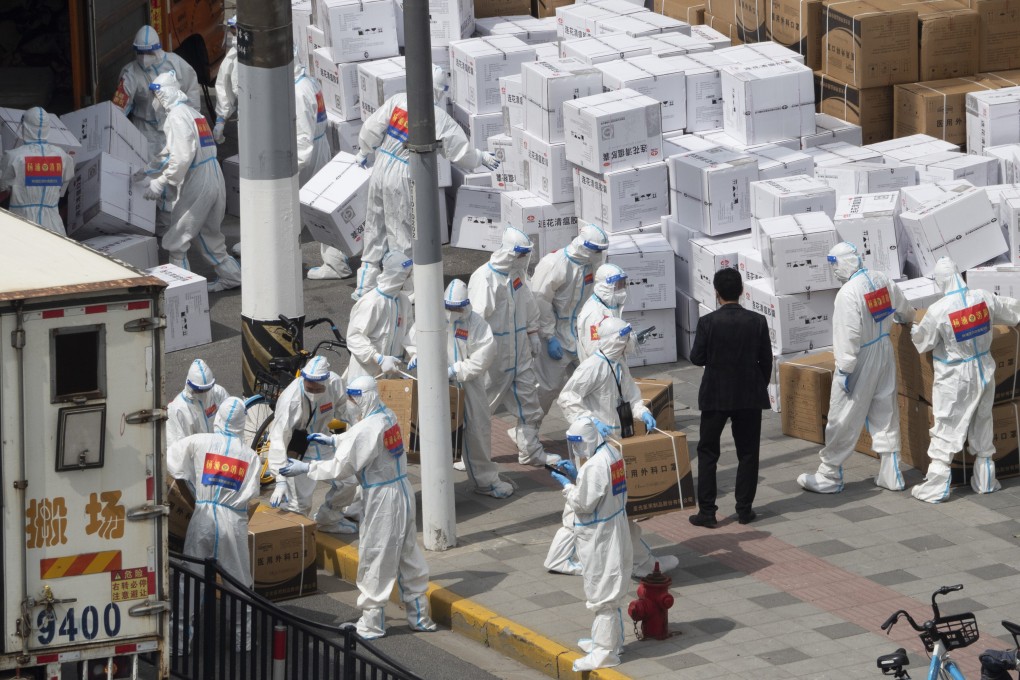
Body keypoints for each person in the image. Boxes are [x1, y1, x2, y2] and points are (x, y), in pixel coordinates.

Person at [280, 376, 437, 639]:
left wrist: (307, 467)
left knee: (375, 556)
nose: (350, 404)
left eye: (353, 398)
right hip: (402, 491)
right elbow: (364, 440)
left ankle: (372, 623)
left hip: (382, 498)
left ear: (364, 398)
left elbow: (343, 467)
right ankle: (420, 616)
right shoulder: (387, 415)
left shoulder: (369, 427)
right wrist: (335, 441)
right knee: (407, 553)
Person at [352, 65, 500, 300]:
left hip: (380, 166)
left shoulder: (397, 101)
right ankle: (405, 289)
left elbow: (372, 127)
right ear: (438, 91)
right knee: (402, 232)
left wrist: (363, 150)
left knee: (375, 225)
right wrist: (481, 157)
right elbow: (460, 151)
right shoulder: (438, 118)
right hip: (404, 172)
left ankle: (364, 286)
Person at [558, 316, 678, 577]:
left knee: (604, 505)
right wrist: (590, 421)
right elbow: (567, 397)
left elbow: (631, 396)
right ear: (612, 340)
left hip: (616, 443)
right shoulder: (592, 367)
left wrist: (641, 412)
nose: (628, 343)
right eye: (623, 339)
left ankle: (562, 556)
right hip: (596, 444)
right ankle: (641, 563)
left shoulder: (619, 364)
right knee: (608, 505)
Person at [798, 242, 914, 494]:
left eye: (835, 266)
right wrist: (907, 319)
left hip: (860, 358)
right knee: (885, 409)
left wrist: (844, 370)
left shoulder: (848, 293)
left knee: (843, 416)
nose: (835, 272)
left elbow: (847, 334)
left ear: (843, 264)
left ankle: (829, 474)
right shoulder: (881, 279)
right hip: (884, 349)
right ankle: (890, 472)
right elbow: (904, 309)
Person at [910, 257, 1020, 502]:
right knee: (982, 421)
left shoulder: (939, 310)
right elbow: (1012, 311)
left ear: (941, 281)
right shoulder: (984, 297)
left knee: (947, 425)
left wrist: (913, 329)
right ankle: (986, 481)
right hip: (984, 368)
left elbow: (922, 342)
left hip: (955, 376)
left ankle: (936, 487)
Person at [167, 397, 260, 652]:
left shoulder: (200, 441)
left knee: (191, 581)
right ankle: (244, 641)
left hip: (203, 518)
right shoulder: (250, 457)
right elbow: (252, 493)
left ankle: (179, 642)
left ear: (218, 418)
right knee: (239, 583)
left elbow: (173, 459)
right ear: (243, 422)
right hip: (233, 521)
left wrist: (191, 477)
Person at [410, 279, 514, 498]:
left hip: (469, 385)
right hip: (434, 385)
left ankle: (485, 481)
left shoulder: (476, 324)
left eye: (457, 307)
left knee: (477, 430)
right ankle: (437, 487)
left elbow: (483, 357)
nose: (453, 312)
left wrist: (456, 371)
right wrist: (416, 354)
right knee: (433, 434)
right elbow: (413, 338)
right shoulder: (432, 316)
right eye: (449, 307)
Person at [468, 227, 561, 468]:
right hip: (494, 358)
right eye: (520, 254)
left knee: (529, 404)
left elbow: (529, 305)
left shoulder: (517, 276)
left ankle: (531, 452)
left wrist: (533, 334)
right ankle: (468, 454)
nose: (523, 259)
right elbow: (476, 322)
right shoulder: (485, 279)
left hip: (519, 354)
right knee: (480, 408)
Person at [687, 268, 772, 527]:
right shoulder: (757, 321)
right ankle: (744, 509)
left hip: (716, 394)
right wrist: (759, 385)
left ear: (716, 293)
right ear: (742, 292)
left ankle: (708, 512)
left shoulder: (707, 322)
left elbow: (696, 357)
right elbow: (766, 360)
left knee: (708, 451)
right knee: (748, 452)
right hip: (749, 395)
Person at [143, 71, 241, 293]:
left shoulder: (176, 117)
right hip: (213, 174)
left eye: (156, 97)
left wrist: (161, 182)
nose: (154, 102)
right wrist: (149, 168)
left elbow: (182, 156)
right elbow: (172, 151)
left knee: (178, 235)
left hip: (198, 179)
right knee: (208, 233)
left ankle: (181, 289)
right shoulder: (192, 113)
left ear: (165, 95)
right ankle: (232, 276)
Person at [549, 417, 631, 672]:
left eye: (578, 442)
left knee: (602, 595)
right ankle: (611, 642)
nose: (576, 448)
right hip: (614, 528)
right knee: (611, 590)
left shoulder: (595, 465)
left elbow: (584, 504)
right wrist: (578, 477)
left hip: (600, 536)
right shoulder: (611, 452)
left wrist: (568, 486)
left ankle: (604, 653)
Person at [267, 356, 360, 534]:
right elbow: (279, 438)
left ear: (326, 380)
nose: (314, 391)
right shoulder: (291, 400)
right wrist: (280, 479)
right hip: (298, 452)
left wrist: (360, 425)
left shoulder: (334, 383)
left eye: (318, 388)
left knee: (347, 481)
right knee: (300, 503)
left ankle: (329, 520)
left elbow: (344, 407)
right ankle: (297, 540)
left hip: (323, 442)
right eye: (309, 386)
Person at [531, 224, 610, 411]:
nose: (599, 254)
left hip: (581, 331)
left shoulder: (592, 264)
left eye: (601, 250)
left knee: (593, 382)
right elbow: (541, 302)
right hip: (555, 333)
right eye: (596, 249)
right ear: (584, 246)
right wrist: (549, 336)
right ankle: (527, 431)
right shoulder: (554, 264)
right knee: (547, 387)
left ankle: (591, 428)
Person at [296, 47, 352, 281]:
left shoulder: (298, 92)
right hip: (319, 149)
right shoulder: (308, 82)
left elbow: (302, 137)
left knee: (310, 210)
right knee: (314, 209)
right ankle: (335, 261)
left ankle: (336, 264)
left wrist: (291, 168)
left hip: (306, 158)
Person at [113, 25, 201, 158]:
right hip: (144, 131)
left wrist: (193, 123)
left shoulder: (175, 64)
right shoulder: (130, 74)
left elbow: (192, 90)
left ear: (157, 49)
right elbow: (118, 108)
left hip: (173, 127)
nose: (144, 57)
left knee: (176, 168)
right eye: (140, 53)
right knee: (147, 172)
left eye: (148, 52)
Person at [0, 107, 75, 234]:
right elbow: (68, 176)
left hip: (22, 223)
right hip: (53, 225)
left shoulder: (14, 157)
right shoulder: (61, 156)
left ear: (25, 127)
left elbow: (3, 187)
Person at [345, 251, 414, 380]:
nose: (408, 278)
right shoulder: (371, 302)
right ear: (397, 276)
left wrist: (414, 353)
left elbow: (410, 333)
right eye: (406, 275)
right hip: (365, 373)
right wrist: (378, 358)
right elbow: (354, 337)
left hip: (391, 372)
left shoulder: (404, 302)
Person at [167, 359, 231, 446]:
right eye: (199, 390)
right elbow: (177, 448)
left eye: (207, 389)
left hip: (218, 452)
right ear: (190, 385)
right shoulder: (178, 409)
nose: (203, 394)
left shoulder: (218, 393)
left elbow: (231, 420)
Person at [576, 263, 628, 362]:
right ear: (605, 286)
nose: (622, 289)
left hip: (612, 366)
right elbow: (594, 351)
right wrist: (625, 342)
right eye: (618, 285)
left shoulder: (610, 305)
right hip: (602, 371)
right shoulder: (595, 314)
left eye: (623, 284)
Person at [212, 15, 238, 145]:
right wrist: (221, 119)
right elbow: (223, 84)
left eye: (235, 31)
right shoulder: (234, 54)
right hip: (246, 110)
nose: (233, 35)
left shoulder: (262, 51)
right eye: (232, 31)